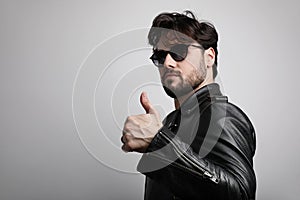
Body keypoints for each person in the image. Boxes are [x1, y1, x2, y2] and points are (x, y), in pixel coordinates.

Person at [121, 10, 256, 200]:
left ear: (209, 57)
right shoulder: (172, 121)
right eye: (160, 56)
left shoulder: (220, 114)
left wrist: (158, 142)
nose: (167, 63)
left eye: (179, 52)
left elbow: (240, 195)